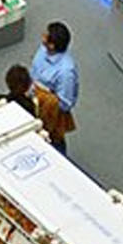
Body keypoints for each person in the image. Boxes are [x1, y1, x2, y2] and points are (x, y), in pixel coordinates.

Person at [30, 22, 79, 153]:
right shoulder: (43, 50)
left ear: (52, 45)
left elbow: (65, 103)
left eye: (46, 36)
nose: (43, 36)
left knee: (54, 144)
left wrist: (44, 96)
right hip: (32, 101)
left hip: (50, 113)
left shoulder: (66, 72)